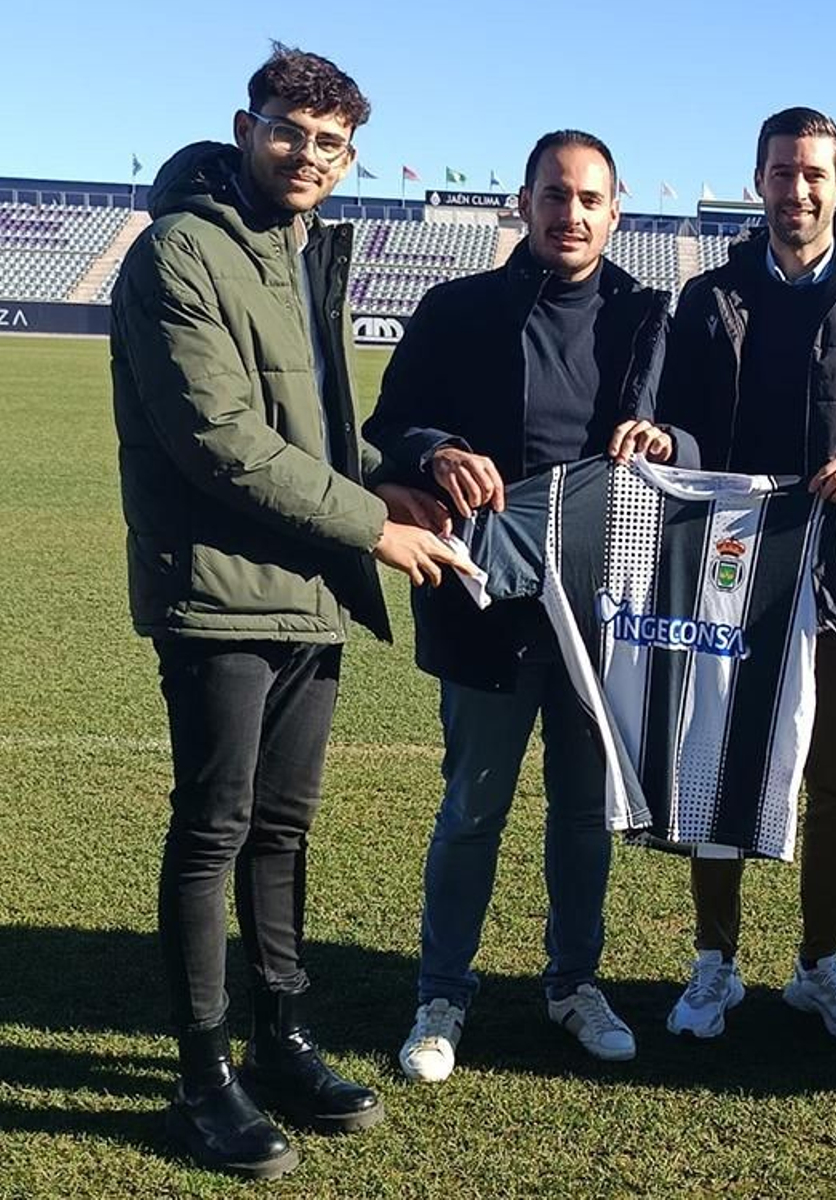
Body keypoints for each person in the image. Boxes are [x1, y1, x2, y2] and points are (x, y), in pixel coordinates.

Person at [110, 44, 463, 1180]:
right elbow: (221, 441)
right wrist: (375, 528)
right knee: (214, 828)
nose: (308, 156)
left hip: (307, 590)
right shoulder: (182, 250)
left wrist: (387, 476)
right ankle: (203, 1076)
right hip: (218, 590)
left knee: (282, 830)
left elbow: (309, 430)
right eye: (289, 131)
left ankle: (280, 1036)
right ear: (246, 124)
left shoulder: (299, 249)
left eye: (331, 144)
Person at [364, 130, 679, 1081]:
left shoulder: (648, 313)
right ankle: (442, 994)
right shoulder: (456, 307)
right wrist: (437, 451)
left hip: (603, 604)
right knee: (472, 807)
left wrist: (670, 442)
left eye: (588, 198)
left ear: (615, 210)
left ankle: (572, 983)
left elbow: (695, 432)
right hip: (484, 600)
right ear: (525, 202)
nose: (570, 213)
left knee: (586, 812)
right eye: (553, 195)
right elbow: (391, 423)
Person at [655, 106, 836, 1041]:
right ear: (759, 180)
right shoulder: (707, 297)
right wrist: (664, 439)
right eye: (782, 173)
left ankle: (820, 963)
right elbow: (675, 420)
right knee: (721, 761)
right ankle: (715, 963)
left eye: (815, 173)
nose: (798, 190)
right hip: (729, 567)